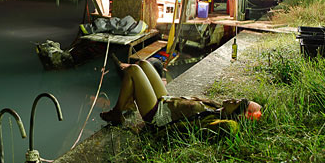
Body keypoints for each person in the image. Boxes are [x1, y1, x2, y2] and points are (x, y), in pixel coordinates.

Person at [101, 58, 262, 129]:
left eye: (235, 104)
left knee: (133, 70)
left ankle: (117, 112)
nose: (232, 100)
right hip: (167, 100)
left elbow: (183, 129)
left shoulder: (211, 120)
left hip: (158, 114)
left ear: (234, 115)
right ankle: (128, 100)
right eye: (237, 99)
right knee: (143, 63)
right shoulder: (217, 107)